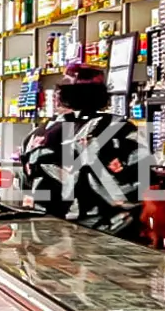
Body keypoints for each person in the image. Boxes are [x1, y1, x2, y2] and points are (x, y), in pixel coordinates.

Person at [17, 64, 142, 238]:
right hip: (112, 245)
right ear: (103, 95)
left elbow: (26, 189)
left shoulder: (35, 136)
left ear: (61, 95)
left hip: (47, 243)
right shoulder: (120, 130)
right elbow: (150, 194)